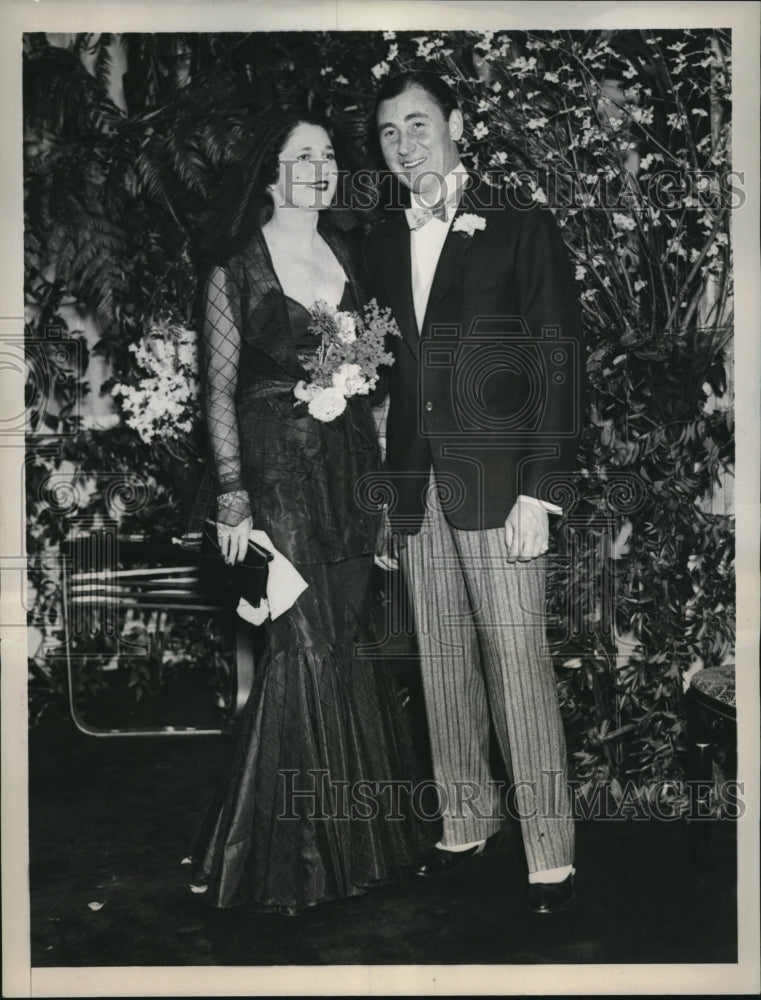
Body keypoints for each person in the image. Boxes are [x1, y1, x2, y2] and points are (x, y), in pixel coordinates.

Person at [189, 109, 419, 915]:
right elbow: (217, 392)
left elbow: (377, 381)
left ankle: (359, 845)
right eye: (303, 155)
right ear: (271, 171)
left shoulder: (350, 254)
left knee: (346, 640)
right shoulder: (234, 269)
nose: (319, 168)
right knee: (301, 642)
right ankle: (285, 860)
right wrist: (233, 496)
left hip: (348, 468)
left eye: (327, 155)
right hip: (275, 472)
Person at [364, 71, 584, 915]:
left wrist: (541, 491)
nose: (404, 144)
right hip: (419, 488)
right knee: (443, 662)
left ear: (454, 123)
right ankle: (464, 825)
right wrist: (390, 501)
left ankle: (549, 857)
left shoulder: (519, 224)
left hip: (502, 487)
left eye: (417, 124)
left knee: (517, 667)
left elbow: (559, 360)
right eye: (388, 133)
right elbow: (394, 383)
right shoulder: (383, 242)